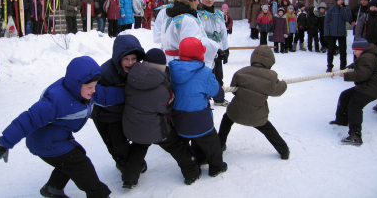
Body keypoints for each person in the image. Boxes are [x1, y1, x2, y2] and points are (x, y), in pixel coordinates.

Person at [0, 56, 125, 198]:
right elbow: (29, 119)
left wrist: (131, 94)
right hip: (44, 142)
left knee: (73, 157)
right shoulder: (57, 100)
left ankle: (53, 188)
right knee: (81, 164)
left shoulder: (86, 91)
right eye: (90, 87)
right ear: (77, 84)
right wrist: (4, 143)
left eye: (95, 86)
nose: (93, 90)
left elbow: (107, 95)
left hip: (58, 137)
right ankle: (98, 194)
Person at [122, 48, 201, 188]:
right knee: (177, 146)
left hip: (133, 127)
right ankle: (191, 172)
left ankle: (129, 179)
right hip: (155, 129)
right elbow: (167, 109)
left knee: (138, 147)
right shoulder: (163, 87)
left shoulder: (130, 78)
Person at [218, 45, 290, 159]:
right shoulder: (271, 77)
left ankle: (219, 145)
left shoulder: (241, 72)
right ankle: (284, 150)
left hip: (236, 112)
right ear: (270, 61)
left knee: (226, 120)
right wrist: (283, 84)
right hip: (257, 115)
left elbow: (234, 90)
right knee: (267, 128)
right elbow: (277, 91)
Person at [169, 37, 227, 177]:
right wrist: (220, 93)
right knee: (212, 143)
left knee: (194, 137)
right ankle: (216, 167)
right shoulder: (205, 72)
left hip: (178, 119)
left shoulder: (172, 69)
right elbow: (216, 93)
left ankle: (199, 158)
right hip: (199, 118)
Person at [91, 35, 146, 174]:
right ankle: (121, 162)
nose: (130, 62)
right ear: (118, 58)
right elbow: (95, 95)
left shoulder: (138, 70)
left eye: (133, 59)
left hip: (120, 114)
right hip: (102, 114)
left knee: (120, 144)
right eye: (126, 59)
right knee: (111, 144)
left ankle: (133, 161)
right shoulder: (105, 72)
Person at [329, 38, 377, 145]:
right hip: (367, 86)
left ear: (362, 50)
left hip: (372, 88)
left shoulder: (367, 58)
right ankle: (342, 120)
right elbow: (357, 65)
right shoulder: (366, 56)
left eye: (356, 51)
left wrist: (346, 75)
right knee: (345, 95)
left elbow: (362, 74)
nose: (354, 53)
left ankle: (355, 135)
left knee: (355, 104)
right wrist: (347, 69)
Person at [160, 0, 219, 70]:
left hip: (171, 62)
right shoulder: (187, 20)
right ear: (191, 1)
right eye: (197, 0)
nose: (198, 2)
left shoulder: (173, 16)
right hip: (182, 64)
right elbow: (193, 46)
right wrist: (214, 49)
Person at [197, 0, 229, 106]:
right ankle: (204, 98)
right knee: (205, 74)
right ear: (202, 0)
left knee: (219, 75)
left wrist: (225, 49)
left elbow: (223, 33)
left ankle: (219, 98)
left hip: (219, 49)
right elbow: (200, 32)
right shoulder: (199, 15)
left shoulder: (219, 14)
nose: (209, 0)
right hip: (205, 49)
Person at [355, 0, 377, 111]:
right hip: (366, 45)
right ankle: (362, 79)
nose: (373, 9)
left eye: (375, 7)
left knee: (376, 66)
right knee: (365, 63)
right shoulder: (365, 17)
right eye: (372, 7)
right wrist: (358, 43)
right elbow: (358, 30)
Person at [324, 0, 352, 72]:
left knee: (343, 51)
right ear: (336, 1)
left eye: (342, 0)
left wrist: (343, 9)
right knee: (330, 51)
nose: (340, 1)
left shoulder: (346, 9)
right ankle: (329, 66)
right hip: (332, 34)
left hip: (342, 33)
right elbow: (326, 21)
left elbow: (348, 19)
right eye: (339, 0)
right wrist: (326, 33)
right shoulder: (332, 9)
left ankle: (343, 67)